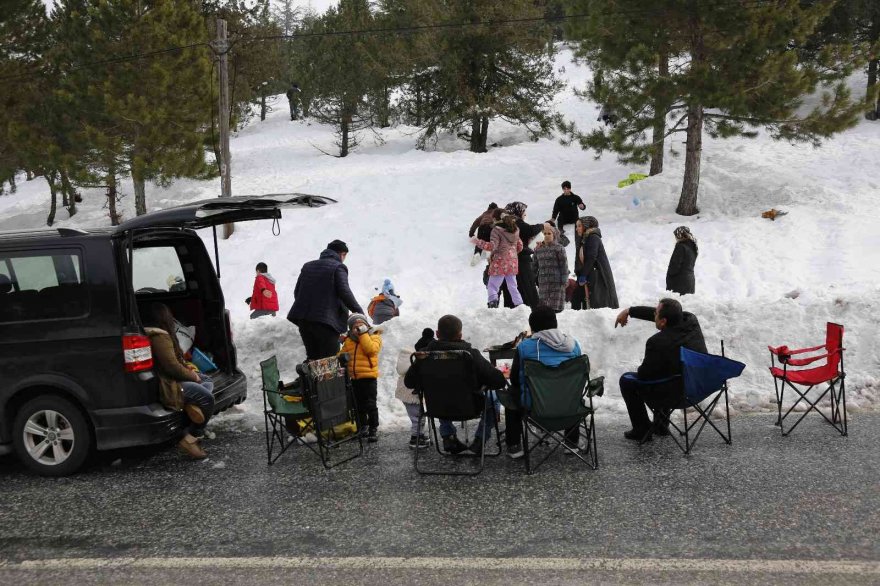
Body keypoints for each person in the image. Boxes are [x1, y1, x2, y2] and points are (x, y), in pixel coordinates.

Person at [404, 314, 506, 455]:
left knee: (440, 390)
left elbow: (409, 383)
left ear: (437, 333)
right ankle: (479, 440)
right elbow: (498, 381)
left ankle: (448, 437)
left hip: (437, 407)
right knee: (495, 399)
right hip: (470, 406)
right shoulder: (469, 354)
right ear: (460, 334)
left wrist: (420, 367)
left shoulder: (425, 356)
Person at [614, 298, 707, 439]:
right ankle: (661, 425)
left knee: (628, 381)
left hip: (675, 394)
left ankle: (642, 428)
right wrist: (630, 311)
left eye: (656, 313)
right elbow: (664, 314)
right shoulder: (690, 320)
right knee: (666, 371)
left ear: (663, 321)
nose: (653, 315)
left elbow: (645, 375)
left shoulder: (657, 342)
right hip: (696, 386)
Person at [505, 306, 584, 458]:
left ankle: (514, 446)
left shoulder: (524, 347)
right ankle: (571, 442)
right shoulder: (573, 345)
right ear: (555, 324)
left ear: (532, 327)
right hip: (568, 406)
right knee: (571, 390)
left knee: (511, 394)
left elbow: (515, 380)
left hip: (534, 407)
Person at [144, 303, 215, 460]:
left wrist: (191, 371)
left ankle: (191, 405)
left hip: (173, 379)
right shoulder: (159, 336)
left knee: (207, 380)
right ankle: (192, 435)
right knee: (207, 398)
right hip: (169, 384)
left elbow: (178, 361)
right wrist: (192, 377)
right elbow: (172, 367)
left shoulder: (160, 334)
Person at [287, 239, 364, 361]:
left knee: (313, 359)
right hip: (326, 324)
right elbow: (345, 292)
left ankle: (310, 380)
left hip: (304, 320)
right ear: (342, 254)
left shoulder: (308, 266)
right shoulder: (338, 267)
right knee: (330, 361)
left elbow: (297, 292)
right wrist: (359, 312)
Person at [339, 313, 382, 442]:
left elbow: (371, 350)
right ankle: (362, 427)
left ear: (367, 325)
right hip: (355, 378)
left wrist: (363, 334)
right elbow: (342, 355)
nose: (358, 328)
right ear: (350, 329)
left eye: (361, 325)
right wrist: (338, 357)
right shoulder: (349, 341)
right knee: (357, 405)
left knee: (370, 404)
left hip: (369, 378)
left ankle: (373, 428)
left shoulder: (374, 337)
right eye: (355, 326)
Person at [395, 328, 435, 450]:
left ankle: (420, 435)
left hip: (406, 394)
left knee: (417, 417)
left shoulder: (410, 362)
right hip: (411, 395)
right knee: (418, 418)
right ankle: (416, 438)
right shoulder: (417, 366)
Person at [472, 214, 524, 308]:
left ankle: (492, 302)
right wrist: (512, 254)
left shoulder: (496, 230)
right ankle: (519, 304)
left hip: (499, 262)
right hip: (512, 263)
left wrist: (477, 242)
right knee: (512, 286)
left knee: (492, 285)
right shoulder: (515, 230)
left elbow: (492, 246)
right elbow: (520, 246)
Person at [572, 216, 619, 310]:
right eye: (576, 226)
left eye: (579, 226)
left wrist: (583, 275)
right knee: (578, 298)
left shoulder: (593, 237)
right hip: (589, 274)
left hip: (598, 274)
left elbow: (591, 257)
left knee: (596, 301)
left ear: (586, 226)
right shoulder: (584, 238)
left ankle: (597, 320)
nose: (577, 229)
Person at [505, 201, 544, 308]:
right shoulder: (515, 221)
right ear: (518, 212)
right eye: (523, 211)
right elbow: (530, 230)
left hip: (511, 262)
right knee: (527, 289)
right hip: (520, 262)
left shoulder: (506, 223)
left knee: (514, 290)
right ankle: (532, 314)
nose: (525, 214)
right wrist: (543, 225)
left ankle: (517, 313)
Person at [533, 223, 569, 312]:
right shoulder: (538, 249)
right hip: (543, 282)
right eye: (544, 234)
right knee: (544, 308)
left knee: (555, 308)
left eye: (549, 233)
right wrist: (531, 278)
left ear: (554, 234)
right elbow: (534, 265)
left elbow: (564, 265)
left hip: (556, 282)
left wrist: (564, 279)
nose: (546, 236)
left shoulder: (559, 248)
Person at [666, 226, 698, 295]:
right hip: (690, 281)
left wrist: (670, 276)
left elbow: (674, 265)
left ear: (680, 235)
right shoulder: (693, 247)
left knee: (676, 304)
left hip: (679, 282)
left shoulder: (680, 246)